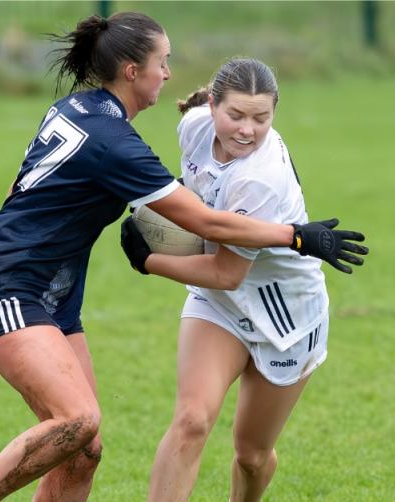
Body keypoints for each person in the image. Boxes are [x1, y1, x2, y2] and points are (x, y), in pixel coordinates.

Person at [0, 11, 366, 501]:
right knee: (79, 420)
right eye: (162, 62)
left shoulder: (78, 109)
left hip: (54, 291)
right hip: (8, 286)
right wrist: (296, 236)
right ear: (133, 71)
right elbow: (205, 223)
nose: (168, 73)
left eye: (260, 117)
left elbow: (19, 186)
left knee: (85, 447)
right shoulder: (117, 144)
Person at [120, 58, 368, 501]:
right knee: (192, 419)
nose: (247, 130)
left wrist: (148, 260)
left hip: (286, 317)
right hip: (219, 306)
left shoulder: (261, 179)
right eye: (235, 115)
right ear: (212, 104)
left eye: (261, 118)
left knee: (252, 455)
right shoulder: (194, 126)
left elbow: (225, 271)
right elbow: (197, 194)